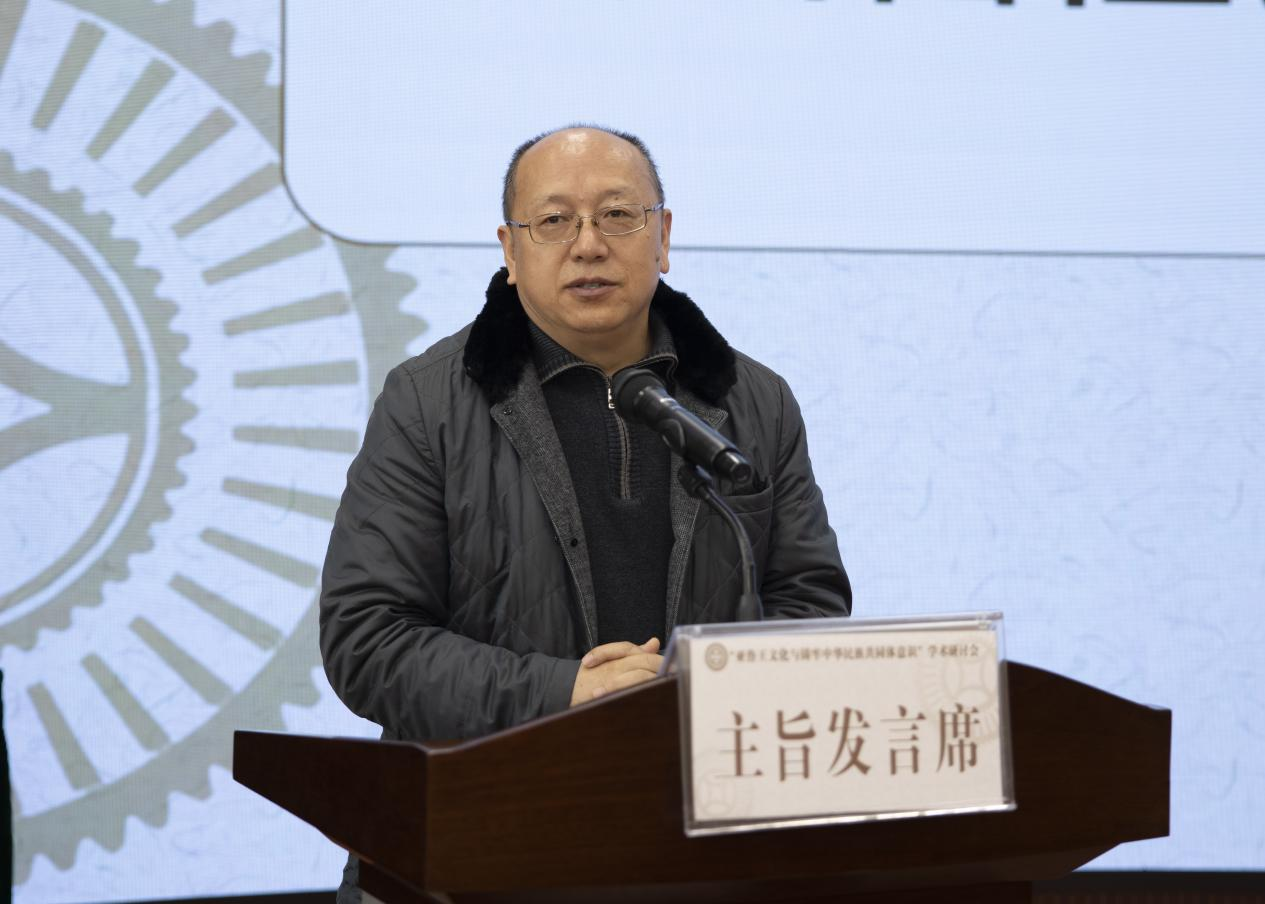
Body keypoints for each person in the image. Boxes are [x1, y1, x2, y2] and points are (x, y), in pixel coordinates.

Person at [319, 125, 850, 901]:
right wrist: (563, 692)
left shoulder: (752, 402)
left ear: (662, 237)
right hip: (476, 844)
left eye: (618, 215)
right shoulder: (428, 403)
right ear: (509, 249)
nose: (588, 244)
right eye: (554, 220)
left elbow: (809, 602)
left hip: (694, 846)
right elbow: (367, 639)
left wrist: (707, 690)